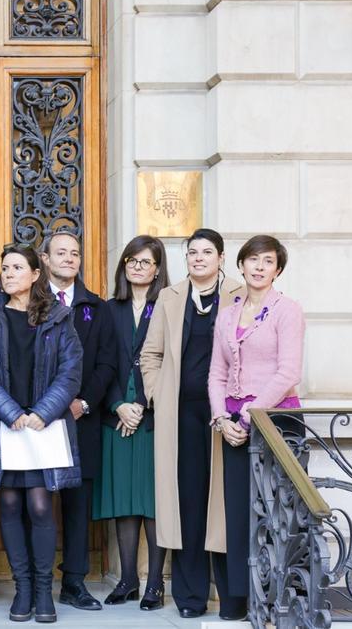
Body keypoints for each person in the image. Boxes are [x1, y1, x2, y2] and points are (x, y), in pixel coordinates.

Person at [0, 244, 84, 624]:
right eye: (5, 268)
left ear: (35, 274)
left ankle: (44, 590)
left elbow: (71, 371)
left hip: (42, 427)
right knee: (9, 505)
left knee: (40, 506)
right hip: (3, 425)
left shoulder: (59, 316)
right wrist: (11, 412)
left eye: (17, 267)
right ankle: (23, 588)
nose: (8, 273)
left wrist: (42, 413)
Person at [139, 228, 243, 619]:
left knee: (225, 505)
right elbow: (150, 354)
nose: (198, 258)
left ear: (221, 257)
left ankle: (233, 598)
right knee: (188, 504)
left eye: (207, 252)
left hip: (226, 415)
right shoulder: (170, 297)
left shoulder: (239, 294)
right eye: (192, 252)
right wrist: (157, 393)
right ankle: (190, 597)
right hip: (180, 414)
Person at [207, 235, 305, 622]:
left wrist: (249, 416)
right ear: (241, 265)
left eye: (268, 261)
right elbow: (216, 373)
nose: (259, 267)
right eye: (253, 259)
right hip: (233, 425)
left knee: (279, 513)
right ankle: (239, 598)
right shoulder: (227, 315)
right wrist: (221, 418)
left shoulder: (288, 310)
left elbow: (288, 372)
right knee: (238, 513)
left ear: (277, 270)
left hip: (276, 421)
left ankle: (282, 598)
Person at [40, 231, 116, 611]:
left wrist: (83, 403)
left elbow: (107, 363)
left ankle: (74, 582)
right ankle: (34, 583)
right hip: (35, 419)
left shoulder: (97, 308)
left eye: (75, 253)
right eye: (61, 252)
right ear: (45, 259)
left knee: (77, 506)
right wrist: (43, 407)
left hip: (80, 419)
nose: (69, 258)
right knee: (35, 503)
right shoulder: (28, 302)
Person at [94, 235, 170, 610]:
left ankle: (154, 584)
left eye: (146, 262)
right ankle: (127, 580)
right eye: (132, 261)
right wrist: (118, 405)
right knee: (124, 500)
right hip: (116, 418)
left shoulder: (169, 307)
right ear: (124, 266)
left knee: (153, 502)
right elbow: (100, 363)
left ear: (157, 269)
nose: (138, 267)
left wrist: (141, 404)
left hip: (155, 417)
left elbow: (171, 362)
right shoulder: (108, 309)